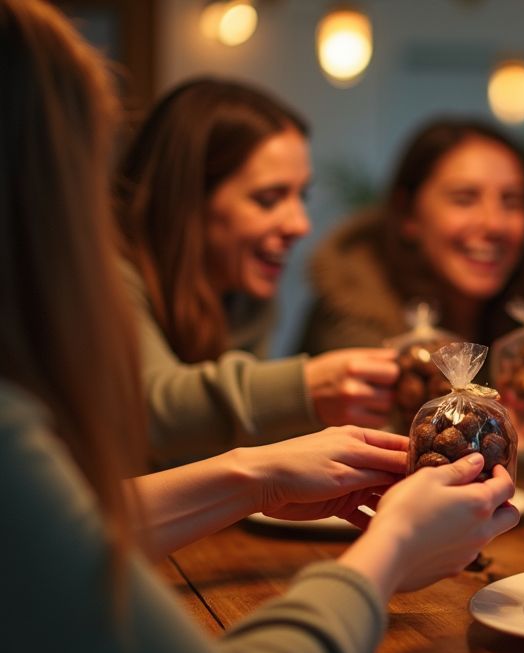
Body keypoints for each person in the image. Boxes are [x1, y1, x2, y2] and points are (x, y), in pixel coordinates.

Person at [0, 1, 519, 653]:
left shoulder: (238, 305)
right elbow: (150, 405)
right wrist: (389, 548)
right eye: (81, 175)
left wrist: (260, 475)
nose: (301, 223)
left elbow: (68, 535)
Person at [115, 78, 402, 466]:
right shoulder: (103, 271)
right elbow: (146, 410)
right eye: (268, 199)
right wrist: (307, 387)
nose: (300, 225)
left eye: (301, 196)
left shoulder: (244, 294)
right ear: (186, 200)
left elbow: (224, 449)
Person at [300, 117, 524, 354]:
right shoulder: (352, 328)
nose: (494, 223)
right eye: (464, 199)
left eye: (512, 201)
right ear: (408, 214)